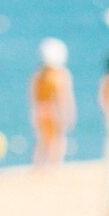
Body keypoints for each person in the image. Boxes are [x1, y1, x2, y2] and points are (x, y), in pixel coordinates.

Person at [32, 38, 78, 167]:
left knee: (43, 142)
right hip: (53, 110)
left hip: (41, 110)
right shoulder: (61, 75)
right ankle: (53, 167)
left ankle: (39, 167)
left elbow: (34, 96)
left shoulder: (39, 75)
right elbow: (63, 97)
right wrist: (68, 114)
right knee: (57, 141)